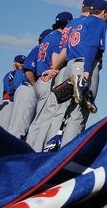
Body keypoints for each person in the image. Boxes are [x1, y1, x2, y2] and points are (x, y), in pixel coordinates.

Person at [60, 0, 107, 145]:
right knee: (79, 113)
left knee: (69, 112)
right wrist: (86, 71)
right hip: (84, 65)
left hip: (70, 65)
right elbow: (92, 46)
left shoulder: (79, 22)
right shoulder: (98, 22)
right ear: (104, 13)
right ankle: (67, 155)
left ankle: (58, 151)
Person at [25, 11, 73, 151]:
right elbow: (55, 56)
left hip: (41, 78)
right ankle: (38, 151)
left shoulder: (47, 37)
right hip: (49, 77)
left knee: (38, 120)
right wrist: (55, 68)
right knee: (46, 119)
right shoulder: (59, 37)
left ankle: (30, 148)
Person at [8, 29, 53, 140]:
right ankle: (10, 155)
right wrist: (34, 85)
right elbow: (28, 68)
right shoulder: (38, 49)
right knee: (18, 129)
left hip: (32, 90)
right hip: (28, 89)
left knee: (26, 129)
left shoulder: (45, 51)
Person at [0, 55, 24, 129]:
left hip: (16, 102)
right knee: (3, 128)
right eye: (20, 62)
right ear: (14, 63)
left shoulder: (23, 73)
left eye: (23, 63)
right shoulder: (11, 74)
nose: (22, 64)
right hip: (8, 101)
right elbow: (8, 88)